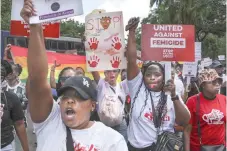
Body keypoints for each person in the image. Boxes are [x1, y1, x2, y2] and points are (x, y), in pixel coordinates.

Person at [20, 1, 128, 150]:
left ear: (92, 105)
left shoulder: (113, 140)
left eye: (79, 96)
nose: (70, 101)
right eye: (65, 96)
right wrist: (35, 25)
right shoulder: (49, 121)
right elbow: (37, 77)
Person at [126, 17, 190, 150]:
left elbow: (184, 121)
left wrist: (174, 96)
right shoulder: (137, 87)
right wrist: (132, 32)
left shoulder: (171, 93)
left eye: (157, 75)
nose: (152, 78)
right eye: (148, 75)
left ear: (164, 77)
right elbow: (131, 60)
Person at [184, 69, 226, 151]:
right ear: (203, 85)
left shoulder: (224, 99)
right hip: (198, 148)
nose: (217, 84)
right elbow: (187, 131)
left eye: (219, 81)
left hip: (221, 147)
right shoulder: (192, 101)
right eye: (213, 82)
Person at [91, 69, 128, 141]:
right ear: (104, 73)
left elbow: (133, 76)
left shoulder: (123, 86)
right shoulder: (101, 85)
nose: (112, 73)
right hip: (104, 126)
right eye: (108, 71)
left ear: (118, 73)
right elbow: (94, 70)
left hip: (120, 126)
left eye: (114, 71)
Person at [1, 60, 29, 151]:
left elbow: (19, 124)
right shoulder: (6, 87)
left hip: (5, 146)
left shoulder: (11, 97)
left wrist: (26, 149)